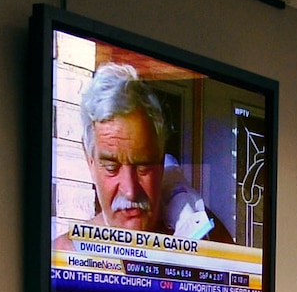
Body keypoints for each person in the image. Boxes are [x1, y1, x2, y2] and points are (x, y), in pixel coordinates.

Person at [56, 63, 235, 245]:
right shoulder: (65, 254)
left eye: (143, 167)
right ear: (90, 161)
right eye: (111, 168)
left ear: (161, 158)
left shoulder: (208, 238)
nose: (130, 191)